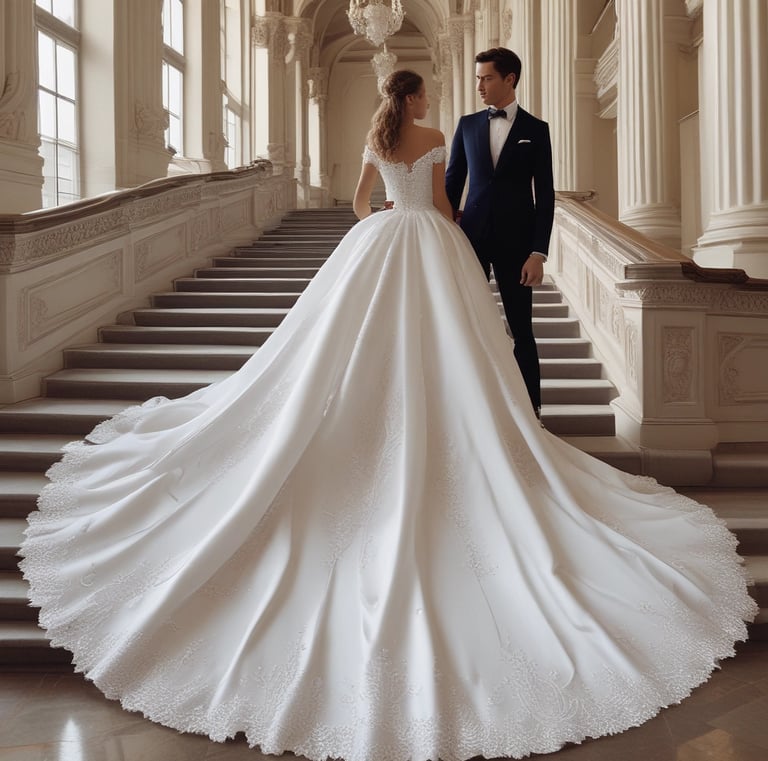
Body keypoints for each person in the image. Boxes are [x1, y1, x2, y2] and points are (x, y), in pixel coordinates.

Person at [21, 69, 755, 761]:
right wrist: (455, 230)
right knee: (448, 348)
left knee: (350, 350)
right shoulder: (435, 143)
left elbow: (357, 204)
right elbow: (440, 208)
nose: (438, 100)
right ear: (415, 101)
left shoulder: (375, 140)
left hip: (376, 247)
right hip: (428, 247)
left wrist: (380, 225)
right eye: (430, 93)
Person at [446, 47, 555, 418]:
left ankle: (531, 411)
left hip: (517, 246)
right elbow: (450, 186)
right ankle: (470, 411)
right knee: (467, 327)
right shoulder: (467, 125)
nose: (479, 85)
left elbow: (547, 195)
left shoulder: (536, 130)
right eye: (477, 78)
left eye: (486, 77)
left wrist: (538, 252)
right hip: (470, 242)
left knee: (521, 331)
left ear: (509, 79)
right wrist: (418, 211)